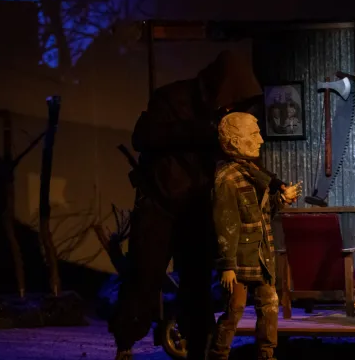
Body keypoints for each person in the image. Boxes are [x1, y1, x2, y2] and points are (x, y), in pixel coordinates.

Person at [110, 50, 264, 360]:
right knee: (144, 279)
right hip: (159, 205)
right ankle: (125, 345)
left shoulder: (227, 112)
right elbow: (144, 136)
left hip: (198, 209)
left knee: (196, 286)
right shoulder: (172, 98)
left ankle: (198, 349)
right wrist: (201, 129)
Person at [210, 112, 301, 359]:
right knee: (235, 309)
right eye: (254, 134)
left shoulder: (253, 173)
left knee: (269, 306)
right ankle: (218, 355)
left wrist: (281, 199)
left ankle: (266, 354)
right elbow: (226, 224)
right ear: (235, 141)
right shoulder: (228, 179)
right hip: (240, 257)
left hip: (261, 254)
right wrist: (228, 265)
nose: (260, 140)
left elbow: (261, 213)